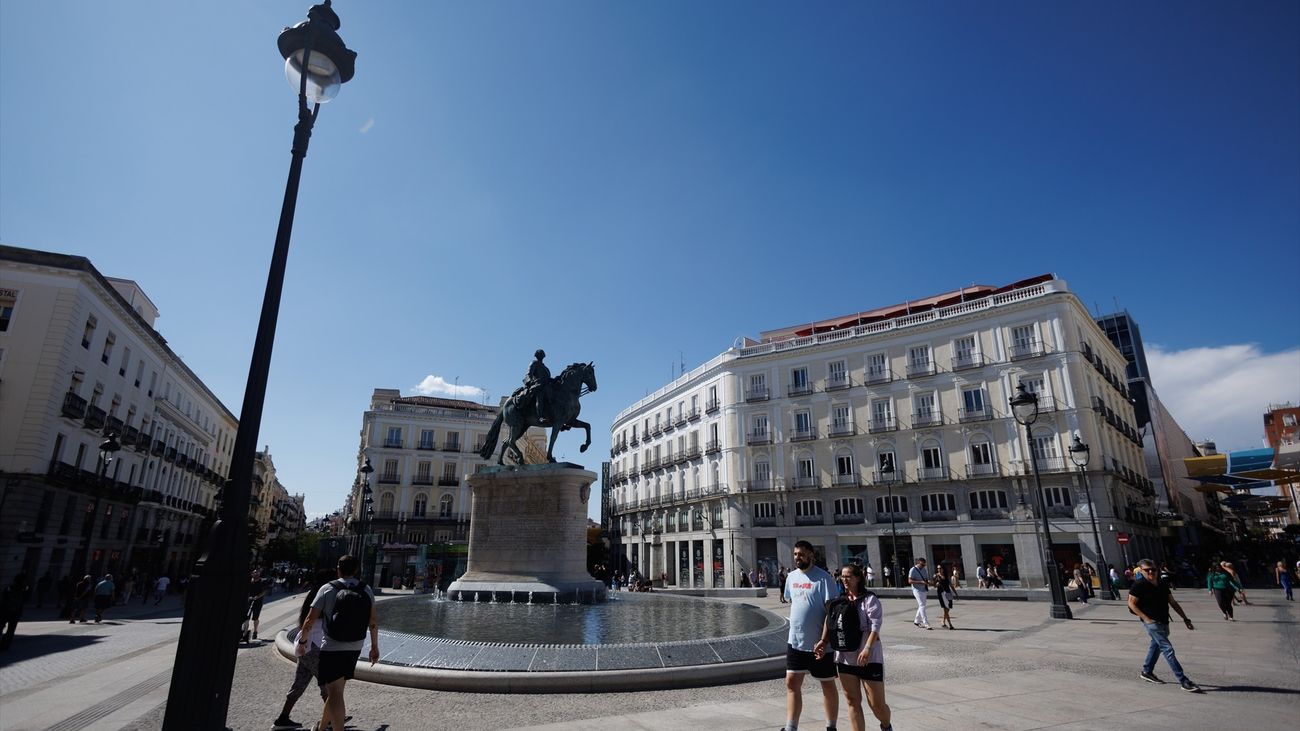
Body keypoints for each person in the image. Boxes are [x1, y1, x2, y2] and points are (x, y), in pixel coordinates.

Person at [300, 555, 379, 731]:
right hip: (355, 646)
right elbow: (373, 621)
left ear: (338, 569)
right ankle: (321, 728)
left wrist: (302, 641)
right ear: (357, 570)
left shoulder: (327, 588)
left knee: (334, 691)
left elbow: (308, 620)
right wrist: (374, 646)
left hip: (332, 646)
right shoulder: (366, 589)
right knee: (337, 689)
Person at [814, 563, 893, 731]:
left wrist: (867, 649)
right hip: (845, 659)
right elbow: (830, 620)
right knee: (852, 701)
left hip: (869, 659)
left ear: (858, 578)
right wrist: (823, 640)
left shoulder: (870, 600)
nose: (844, 580)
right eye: (842, 576)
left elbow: (875, 628)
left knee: (877, 706)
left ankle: (886, 726)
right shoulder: (839, 601)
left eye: (848, 576)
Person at [781, 540, 839, 731]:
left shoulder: (824, 579)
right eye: (796, 554)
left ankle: (831, 726)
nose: (798, 557)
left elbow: (831, 613)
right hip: (796, 641)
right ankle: (791, 727)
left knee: (827, 684)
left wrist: (823, 640)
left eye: (802, 554)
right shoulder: (791, 577)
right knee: (791, 682)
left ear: (811, 555)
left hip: (820, 645)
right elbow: (794, 602)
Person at [273, 570, 334, 730]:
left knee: (299, 684)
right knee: (328, 684)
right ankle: (331, 719)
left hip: (305, 647)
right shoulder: (324, 597)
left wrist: (301, 642)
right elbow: (310, 622)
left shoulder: (312, 597)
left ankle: (282, 719)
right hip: (314, 645)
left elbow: (305, 622)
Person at [1128, 558, 1200, 692]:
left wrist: (1185, 618)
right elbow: (1131, 603)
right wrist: (1146, 618)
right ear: (1141, 571)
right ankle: (1183, 680)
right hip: (1151, 622)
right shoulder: (1139, 585)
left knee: (1156, 645)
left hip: (1164, 620)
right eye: (1147, 570)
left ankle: (1147, 671)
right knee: (1168, 649)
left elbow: (1172, 602)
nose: (1151, 572)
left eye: (1153, 569)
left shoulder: (1162, 584)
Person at [1, 573, 31, 650]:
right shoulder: (24, 590)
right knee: (11, 629)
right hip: (15, 612)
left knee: (3, 626)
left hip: (6, 610)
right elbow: (26, 599)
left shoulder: (10, 587)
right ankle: (5, 645)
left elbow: (4, 598)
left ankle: (4, 643)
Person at [524, 348, 552, 424]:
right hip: (538, 385)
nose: (541, 356)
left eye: (542, 355)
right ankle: (540, 417)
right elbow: (528, 374)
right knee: (540, 397)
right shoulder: (534, 363)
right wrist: (529, 381)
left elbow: (548, 378)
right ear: (537, 355)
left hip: (546, 385)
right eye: (540, 354)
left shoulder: (545, 367)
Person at [907, 557, 931, 629]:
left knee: (922, 606)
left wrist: (928, 582)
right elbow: (910, 581)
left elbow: (926, 579)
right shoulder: (913, 570)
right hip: (916, 589)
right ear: (918, 563)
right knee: (922, 605)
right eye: (922, 565)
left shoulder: (924, 570)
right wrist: (920, 582)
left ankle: (917, 621)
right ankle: (926, 623)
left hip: (923, 589)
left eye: (924, 565)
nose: (923, 566)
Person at [248, 568, 270, 640]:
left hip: (258, 602)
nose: (256, 574)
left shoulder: (262, 582)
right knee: (246, 617)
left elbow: (264, 591)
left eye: (257, 573)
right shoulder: (250, 581)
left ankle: (255, 631)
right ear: (251, 574)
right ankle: (245, 631)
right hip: (249, 601)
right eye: (254, 573)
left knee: (255, 618)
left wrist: (257, 597)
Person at [934, 564, 957, 630]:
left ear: (943, 568)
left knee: (948, 608)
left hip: (948, 592)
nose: (939, 569)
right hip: (941, 593)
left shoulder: (947, 576)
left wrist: (956, 594)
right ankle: (950, 624)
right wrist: (936, 584)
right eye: (938, 568)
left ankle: (943, 621)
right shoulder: (936, 576)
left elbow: (951, 585)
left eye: (940, 568)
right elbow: (934, 585)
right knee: (945, 609)